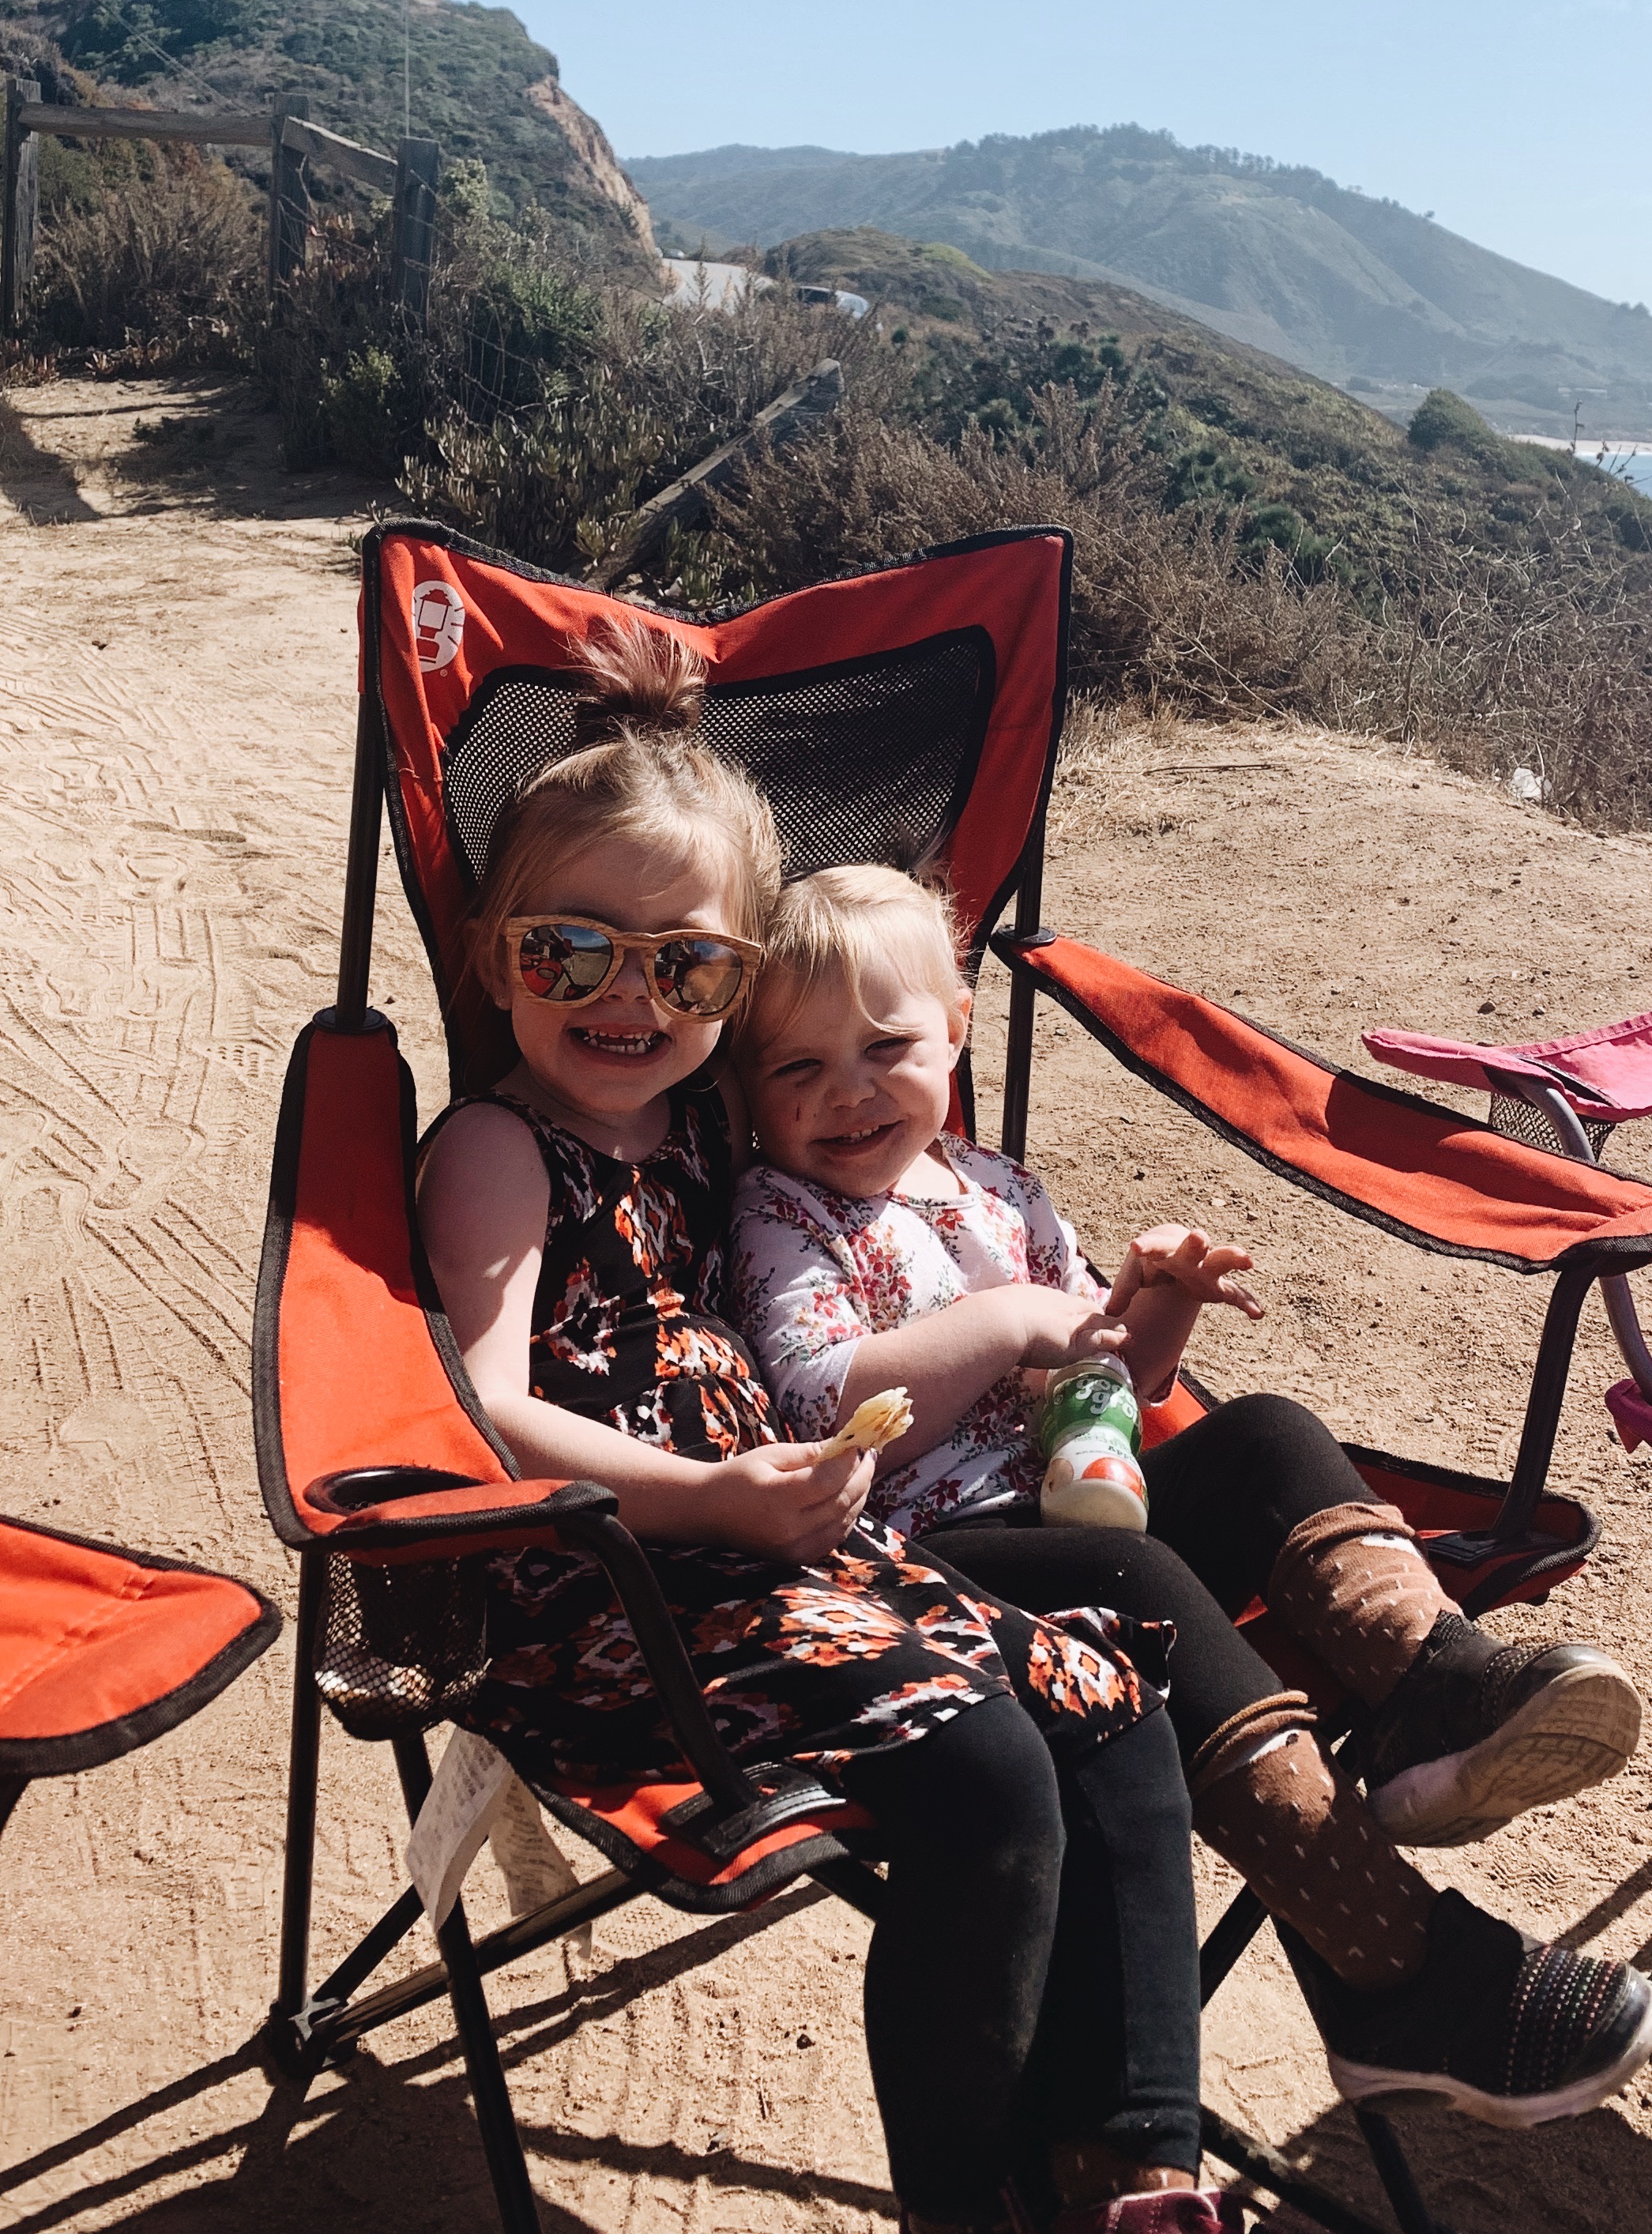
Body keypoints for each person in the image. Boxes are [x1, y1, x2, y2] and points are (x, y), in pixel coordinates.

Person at [416, 627, 1222, 2234]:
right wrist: (713, 1496)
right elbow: (488, 1415)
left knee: (1107, 1694)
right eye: (573, 955)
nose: (631, 1002)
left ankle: (1131, 2164)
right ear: (496, 950)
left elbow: (889, 1159)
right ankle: (972, 2205)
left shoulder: (719, 1127)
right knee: (991, 1764)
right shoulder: (504, 1150)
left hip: (795, 1557)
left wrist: (1084, 1318)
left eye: (689, 968)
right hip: (620, 1592)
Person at [727, 865, 1652, 2130]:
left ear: (956, 1023)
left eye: (885, 1045)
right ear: (742, 1089)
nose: (844, 1091)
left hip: (1074, 1501)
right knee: (1146, 1583)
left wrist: (1150, 1318)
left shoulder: (998, 1188)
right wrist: (1005, 1324)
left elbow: (1103, 1383)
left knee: (1267, 1434)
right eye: (795, 1068)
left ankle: (1430, 1696)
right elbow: (813, 1405)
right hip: (932, 1562)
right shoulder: (779, 1213)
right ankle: (1408, 1973)